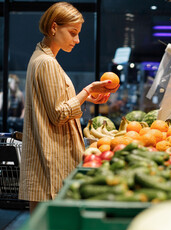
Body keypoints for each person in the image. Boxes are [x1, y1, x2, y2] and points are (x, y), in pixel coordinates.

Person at [19, 2, 119, 214]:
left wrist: (87, 97)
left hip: (47, 157)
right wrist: (87, 89)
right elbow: (59, 114)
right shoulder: (47, 62)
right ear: (54, 27)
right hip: (52, 158)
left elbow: (51, 103)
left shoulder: (40, 56)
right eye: (73, 33)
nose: (77, 40)